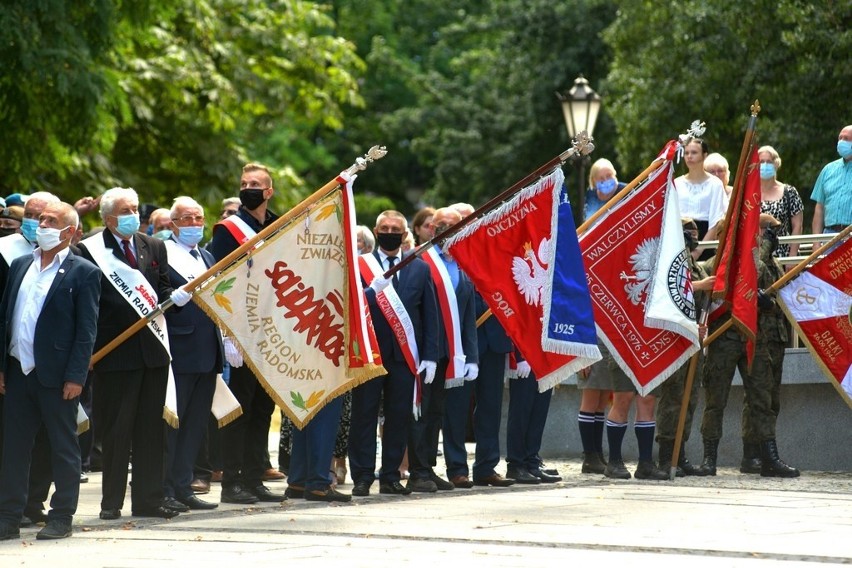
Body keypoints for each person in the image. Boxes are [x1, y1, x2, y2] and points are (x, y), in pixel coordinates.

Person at [79, 187, 192, 520]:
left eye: (134, 209)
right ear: (110, 217)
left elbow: (160, 289)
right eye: (126, 210)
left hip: (153, 354)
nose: (133, 216)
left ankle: (148, 500)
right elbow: (90, 304)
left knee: (150, 431)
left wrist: (176, 297)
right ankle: (111, 503)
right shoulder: (90, 250)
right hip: (115, 355)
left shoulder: (153, 245)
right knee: (116, 432)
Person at [0, 201, 101, 541]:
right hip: (17, 372)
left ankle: (61, 516)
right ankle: (9, 516)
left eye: (50, 220)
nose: (41, 224)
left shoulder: (83, 271)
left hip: (58, 378)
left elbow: (86, 329)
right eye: (40, 218)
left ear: (69, 231)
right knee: (13, 448)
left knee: (62, 447)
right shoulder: (18, 265)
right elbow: (5, 319)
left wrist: (76, 376)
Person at [697, 215, 799, 478]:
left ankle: (769, 457)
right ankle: (709, 458)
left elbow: (763, 277)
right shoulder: (714, 265)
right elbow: (707, 299)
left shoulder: (761, 262)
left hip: (754, 337)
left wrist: (769, 303)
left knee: (762, 399)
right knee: (715, 401)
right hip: (724, 337)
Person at [207, 163, 285, 505]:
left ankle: (255, 477)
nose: (247, 188)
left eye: (255, 183)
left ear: (268, 192)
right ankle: (232, 480)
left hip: (272, 328)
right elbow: (224, 280)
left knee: (263, 409)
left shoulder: (281, 224)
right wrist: (229, 332)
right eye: (243, 183)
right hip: (241, 329)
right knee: (240, 409)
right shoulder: (228, 230)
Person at [349, 211, 440, 497]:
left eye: (395, 229)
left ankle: (390, 476)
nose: (389, 232)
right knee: (364, 416)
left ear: (404, 235)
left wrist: (430, 355)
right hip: (370, 355)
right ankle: (362, 476)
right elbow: (350, 304)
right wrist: (369, 292)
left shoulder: (419, 267)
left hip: (404, 356)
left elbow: (429, 315)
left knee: (398, 417)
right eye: (384, 228)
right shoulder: (360, 265)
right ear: (376, 231)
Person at [406, 207, 480, 491]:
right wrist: (424, 352)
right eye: (440, 225)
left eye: (452, 225)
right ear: (432, 229)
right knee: (421, 413)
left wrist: (470, 356)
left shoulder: (461, 264)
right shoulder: (420, 260)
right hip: (427, 353)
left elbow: (467, 316)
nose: (445, 230)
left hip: (454, 354)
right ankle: (417, 471)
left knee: (436, 413)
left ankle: (427, 468)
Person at [162, 197, 222, 511]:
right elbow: (156, 297)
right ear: (173, 224)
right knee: (174, 423)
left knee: (195, 425)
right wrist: (173, 298)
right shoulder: (163, 254)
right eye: (187, 219)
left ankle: (184, 486)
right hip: (180, 349)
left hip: (208, 351)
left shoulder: (208, 255)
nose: (194, 224)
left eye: (198, 218)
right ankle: (166, 488)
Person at [654, 218, 715, 476]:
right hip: (674, 342)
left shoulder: (696, 267)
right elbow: (671, 290)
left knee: (689, 400)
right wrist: (701, 286)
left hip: (694, 343)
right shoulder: (670, 264)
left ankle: (681, 454)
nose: (694, 235)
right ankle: (667, 456)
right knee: (673, 400)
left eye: (695, 231)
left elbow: (712, 275)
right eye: (688, 232)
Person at [674, 139, 727, 260]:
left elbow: (716, 221)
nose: (689, 156)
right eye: (686, 153)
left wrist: (698, 251)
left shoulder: (715, 184)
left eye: (694, 152)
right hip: (680, 237)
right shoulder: (677, 183)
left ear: (704, 155)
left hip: (705, 237)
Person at [757, 145, 804, 258]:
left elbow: (798, 226)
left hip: (783, 253)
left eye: (769, 161)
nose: (765, 165)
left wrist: (792, 256)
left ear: (776, 164)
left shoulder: (789, 191)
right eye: (761, 162)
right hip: (755, 256)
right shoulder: (747, 194)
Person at [811, 125, 852, 235]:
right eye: (840, 138)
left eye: (846, 139)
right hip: (829, 236)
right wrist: (816, 241)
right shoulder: (828, 170)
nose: (841, 142)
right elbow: (819, 208)